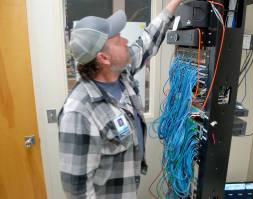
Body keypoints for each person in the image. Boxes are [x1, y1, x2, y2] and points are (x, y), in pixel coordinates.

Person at [58, 0, 182, 198]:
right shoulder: (79, 113)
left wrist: (173, 4)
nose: (125, 42)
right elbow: (77, 191)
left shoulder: (119, 72)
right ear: (103, 58)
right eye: (117, 40)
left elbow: (146, 41)